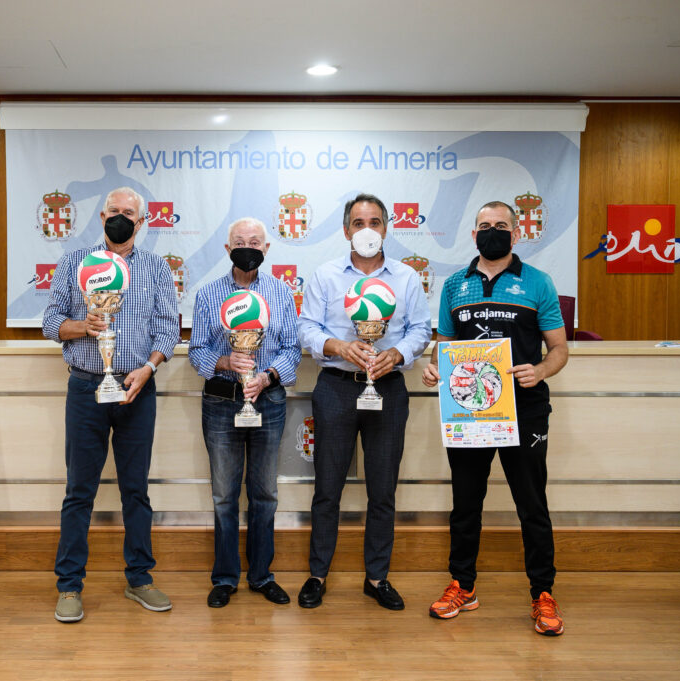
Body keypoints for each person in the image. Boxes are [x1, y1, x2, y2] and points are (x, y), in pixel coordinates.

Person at [421, 200, 569, 636]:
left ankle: (542, 593)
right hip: (471, 412)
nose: (493, 231)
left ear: (516, 233)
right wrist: (435, 367)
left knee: (532, 504)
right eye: (485, 225)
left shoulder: (538, 282)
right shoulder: (455, 285)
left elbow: (559, 348)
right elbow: (444, 346)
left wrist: (540, 370)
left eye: (501, 225)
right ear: (473, 235)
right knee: (466, 503)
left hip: (525, 411)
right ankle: (462, 585)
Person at [42, 186, 180, 623]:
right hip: (86, 388)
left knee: (135, 490)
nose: (120, 217)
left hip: (136, 390)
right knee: (79, 491)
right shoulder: (73, 262)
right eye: (113, 211)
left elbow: (168, 330)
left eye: (129, 213)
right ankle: (69, 586)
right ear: (102, 217)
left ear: (142, 222)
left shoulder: (156, 268)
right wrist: (81, 326)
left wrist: (149, 368)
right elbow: (50, 322)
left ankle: (139, 578)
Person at [296, 193, 431, 610]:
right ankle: (318, 575)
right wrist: (337, 346)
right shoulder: (325, 275)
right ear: (346, 231)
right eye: (358, 223)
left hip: (388, 388)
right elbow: (306, 328)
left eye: (374, 222)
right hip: (336, 387)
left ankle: (377, 577)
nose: (367, 230)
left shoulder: (407, 278)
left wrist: (399, 354)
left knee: (383, 489)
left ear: (386, 228)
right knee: (327, 487)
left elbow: (421, 329)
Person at [189, 217, 301, 608]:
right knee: (224, 495)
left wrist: (267, 377)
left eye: (255, 242)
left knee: (265, 493)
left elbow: (292, 350)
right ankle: (224, 577)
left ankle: (261, 575)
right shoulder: (208, 294)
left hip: (268, 401)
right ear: (227, 248)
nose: (247, 247)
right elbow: (197, 351)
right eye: (240, 241)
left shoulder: (281, 293)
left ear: (267, 248)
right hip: (222, 402)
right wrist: (225, 361)